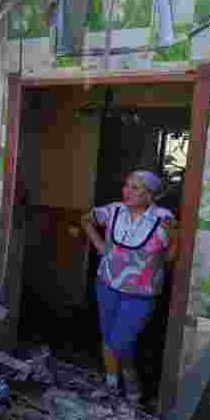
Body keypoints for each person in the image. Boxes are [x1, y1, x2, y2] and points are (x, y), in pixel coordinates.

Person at [80, 170, 179, 405]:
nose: (127, 191)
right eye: (126, 185)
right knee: (109, 335)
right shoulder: (113, 210)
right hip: (107, 283)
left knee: (122, 340)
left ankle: (132, 382)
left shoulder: (163, 218)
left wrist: (161, 264)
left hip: (141, 293)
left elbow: (175, 247)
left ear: (151, 194)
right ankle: (112, 386)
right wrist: (100, 245)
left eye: (136, 187)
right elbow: (86, 219)